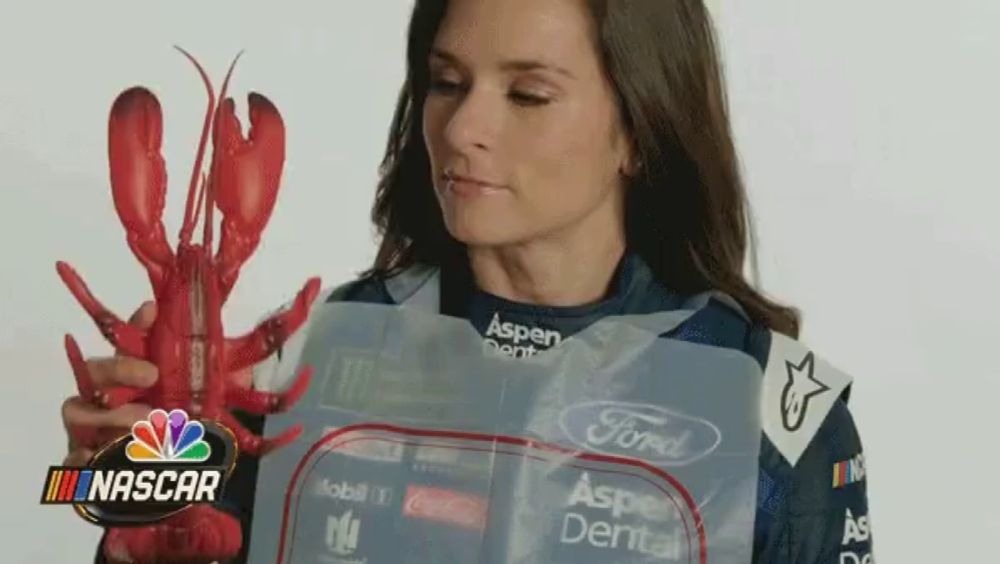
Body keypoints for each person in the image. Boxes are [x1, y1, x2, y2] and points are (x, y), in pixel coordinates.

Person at [61, 0, 874, 562]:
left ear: (641, 130)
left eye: (528, 94)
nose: (463, 128)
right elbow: (155, 544)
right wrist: (117, 491)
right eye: (446, 83)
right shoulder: (303, 358)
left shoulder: (777, 414)